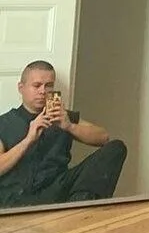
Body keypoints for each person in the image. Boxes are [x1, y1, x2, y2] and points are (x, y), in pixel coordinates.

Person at [0, 61, 127, 209]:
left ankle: (79, 208)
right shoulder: (3, 122)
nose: (43, 91)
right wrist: (28, 140)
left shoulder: (63, 116)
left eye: (49, 86)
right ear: (21, 88)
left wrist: (69, 126)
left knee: (116, 148)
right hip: (16, 197)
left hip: (57, 191)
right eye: (37, 85)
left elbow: (103, 137)